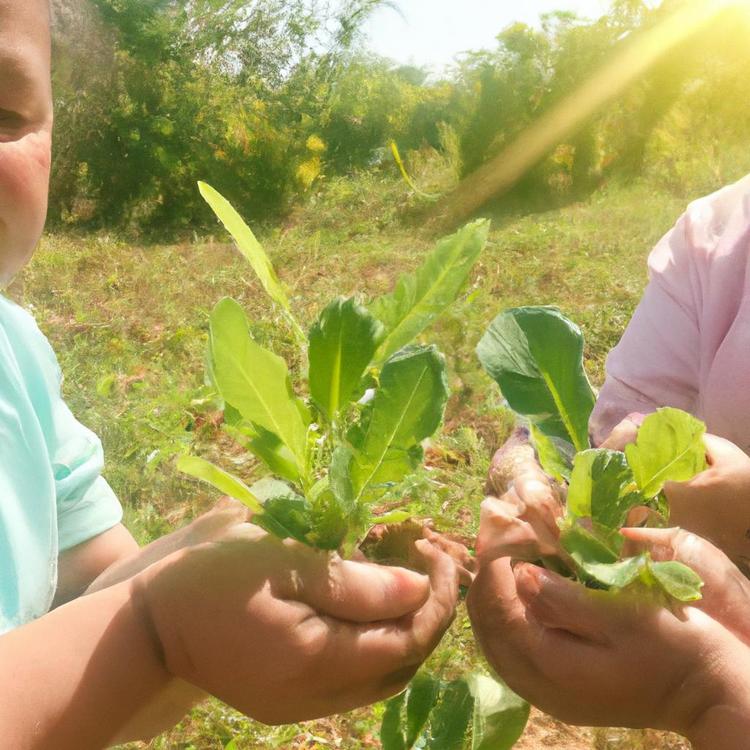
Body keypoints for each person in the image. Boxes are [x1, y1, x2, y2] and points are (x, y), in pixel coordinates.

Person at [0, 2, 459, 747]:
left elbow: (85, 593)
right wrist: (157, 634)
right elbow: (129, 622)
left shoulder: (15, 350)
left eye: (2, 113)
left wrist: (200, 551)